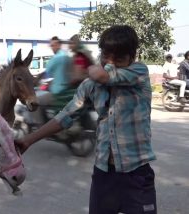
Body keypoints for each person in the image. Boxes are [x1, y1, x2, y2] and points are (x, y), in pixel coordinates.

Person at [17, 25, 157, 214]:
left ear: (132, 57)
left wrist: (93, 69)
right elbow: (65, 117)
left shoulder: (139, 72)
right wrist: (29, 139)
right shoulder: (90, 86)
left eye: (119, 59)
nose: (110, 63)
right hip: (103, 174)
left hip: (137, 173)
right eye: (106, 56)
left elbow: (101, 74)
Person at [30, 36, 72, 125]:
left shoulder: (56, 58)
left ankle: (40, 126)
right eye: (51, 45)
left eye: (54, 45)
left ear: (59, 45)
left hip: (58, 93)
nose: (52, 47)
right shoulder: (67, 56)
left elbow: (46, 73)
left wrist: (35, 80)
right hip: (68, 91)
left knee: (34, 102)